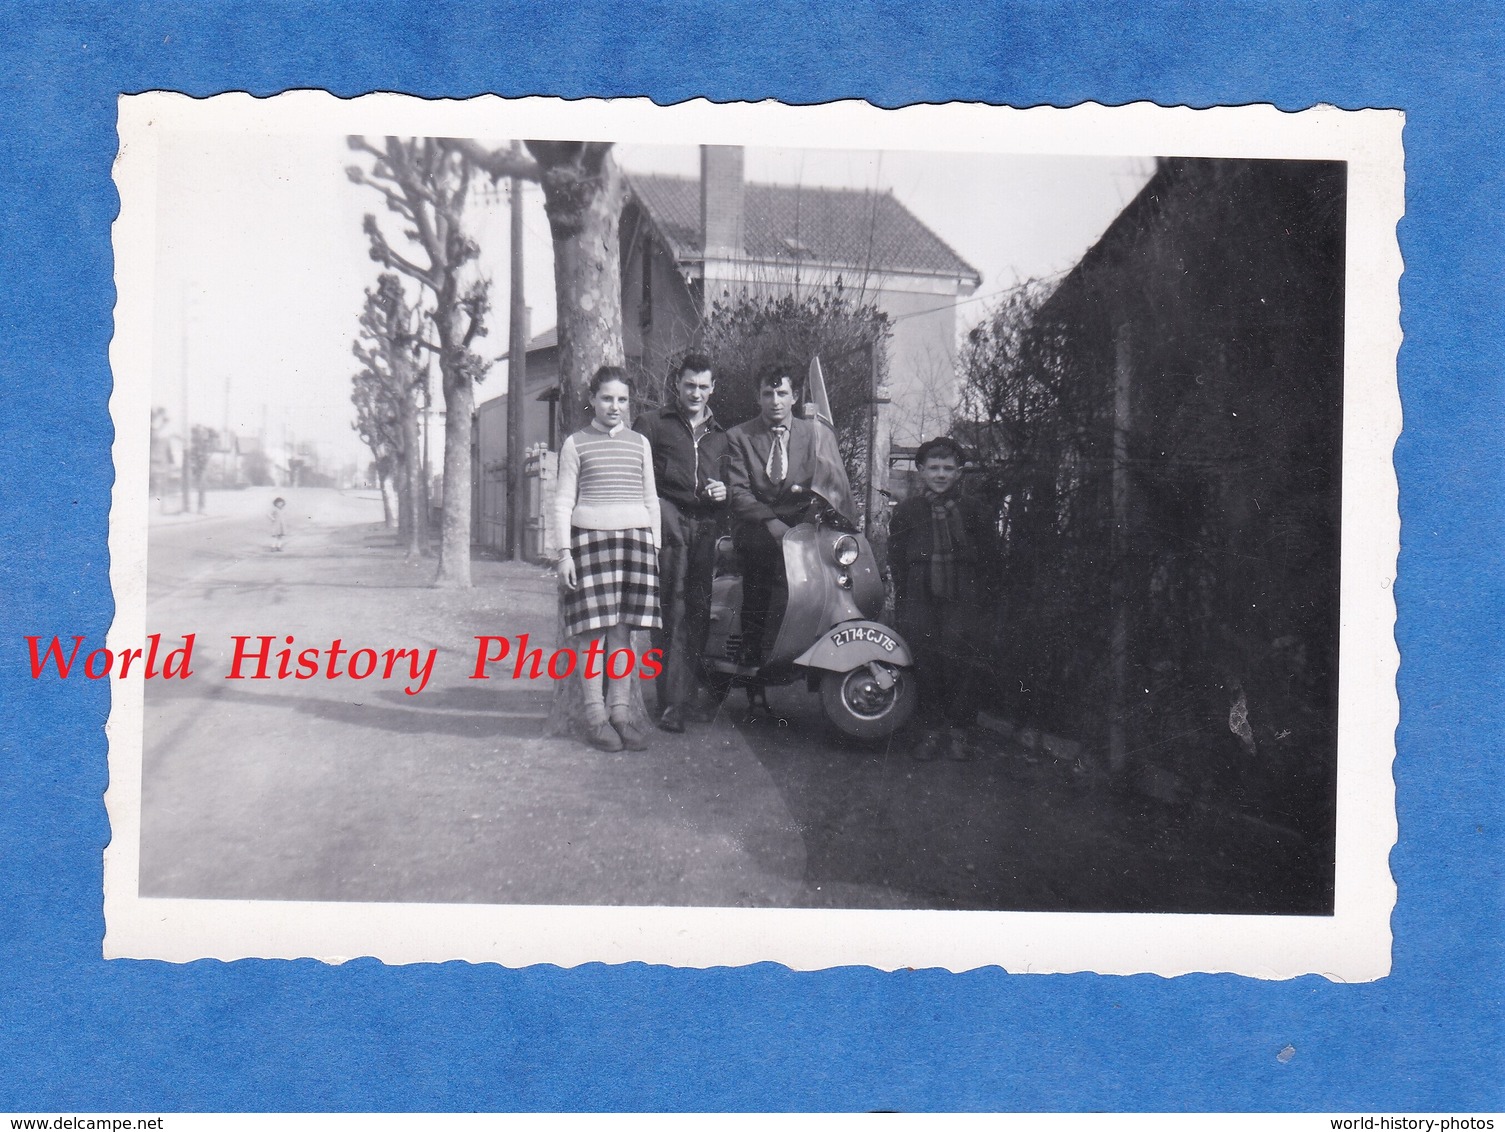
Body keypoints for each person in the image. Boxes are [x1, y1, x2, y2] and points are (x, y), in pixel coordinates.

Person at [553, 366, 663, 753]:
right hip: (590, 544)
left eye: (621, 399)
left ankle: (621, 714)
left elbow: (651, 499)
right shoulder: (576, 443)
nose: (614, 406)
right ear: (592, 400)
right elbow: (564, 500)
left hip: (635, 544)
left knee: (622, 633)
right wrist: (564, 553)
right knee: (592, 635)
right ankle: (596, 718)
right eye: (606, 398)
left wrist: (655, 548)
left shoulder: (639, 444)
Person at [724, 366, 856, 668]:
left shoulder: (814, 435)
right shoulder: (739, 436)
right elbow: (738, 490)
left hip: (802, 523)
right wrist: (770, 521)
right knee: (761, 558)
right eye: (767, 393)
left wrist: (818, 515)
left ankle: (818, 641)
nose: (775, 400)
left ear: (794, 397)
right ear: (758, 397)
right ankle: (753, 644)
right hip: (757, 524)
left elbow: (827, 481)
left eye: (782, 393)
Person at [886, 436, 999, 761]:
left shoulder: (975, 510)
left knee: (960, 657)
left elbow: (991, 559)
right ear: (920, 470)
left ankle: (960, 730)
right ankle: (930, 730)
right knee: (925, 659)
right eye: (933, 467)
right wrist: (905, 599)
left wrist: (984, 600)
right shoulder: (908, 510)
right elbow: (897, 557)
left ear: (959, 472)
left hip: (963, 590)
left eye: (948, 468)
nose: (940, 474)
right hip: (920, 591)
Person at [633, 353, 729, 733]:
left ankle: (683, 698)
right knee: (669, 610)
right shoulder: (653, 424)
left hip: (704, 527)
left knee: (698, 612)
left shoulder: (722, 434)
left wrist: (725, 490)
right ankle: (669, 703)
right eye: (690, 385)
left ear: (713, 388)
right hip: (668, 524)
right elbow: (638, 476)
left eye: (704, 386)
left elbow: (732, 485)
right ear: (678, 385)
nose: (696, 393)